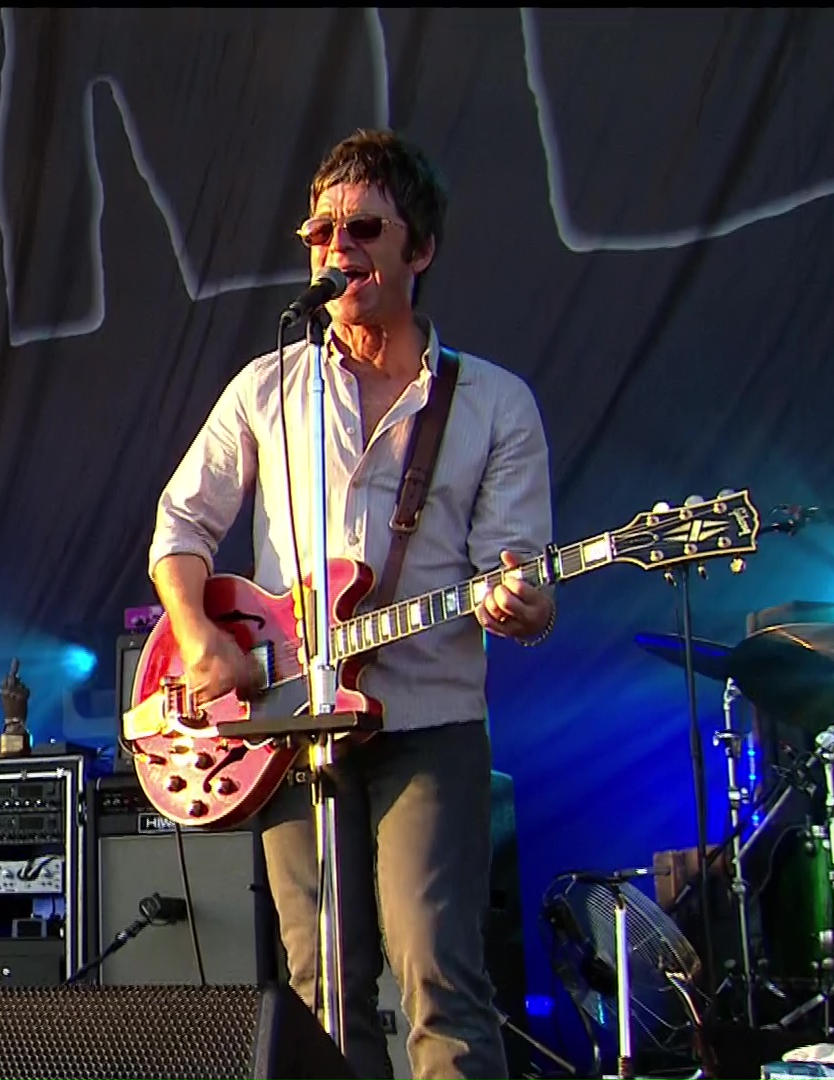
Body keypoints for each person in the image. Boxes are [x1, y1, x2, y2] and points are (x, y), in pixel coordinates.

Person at [147, 129, 554, 1080]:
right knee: (322, 987)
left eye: (365, 228)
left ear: (421, 249)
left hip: (430, 719)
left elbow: (516, 570)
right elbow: (180, 527)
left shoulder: (493, 404)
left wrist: (523, 605)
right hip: (294, 729)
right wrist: (201, 637)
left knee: (437, 974)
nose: (338, 248)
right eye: (322, 229)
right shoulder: (268, 387)